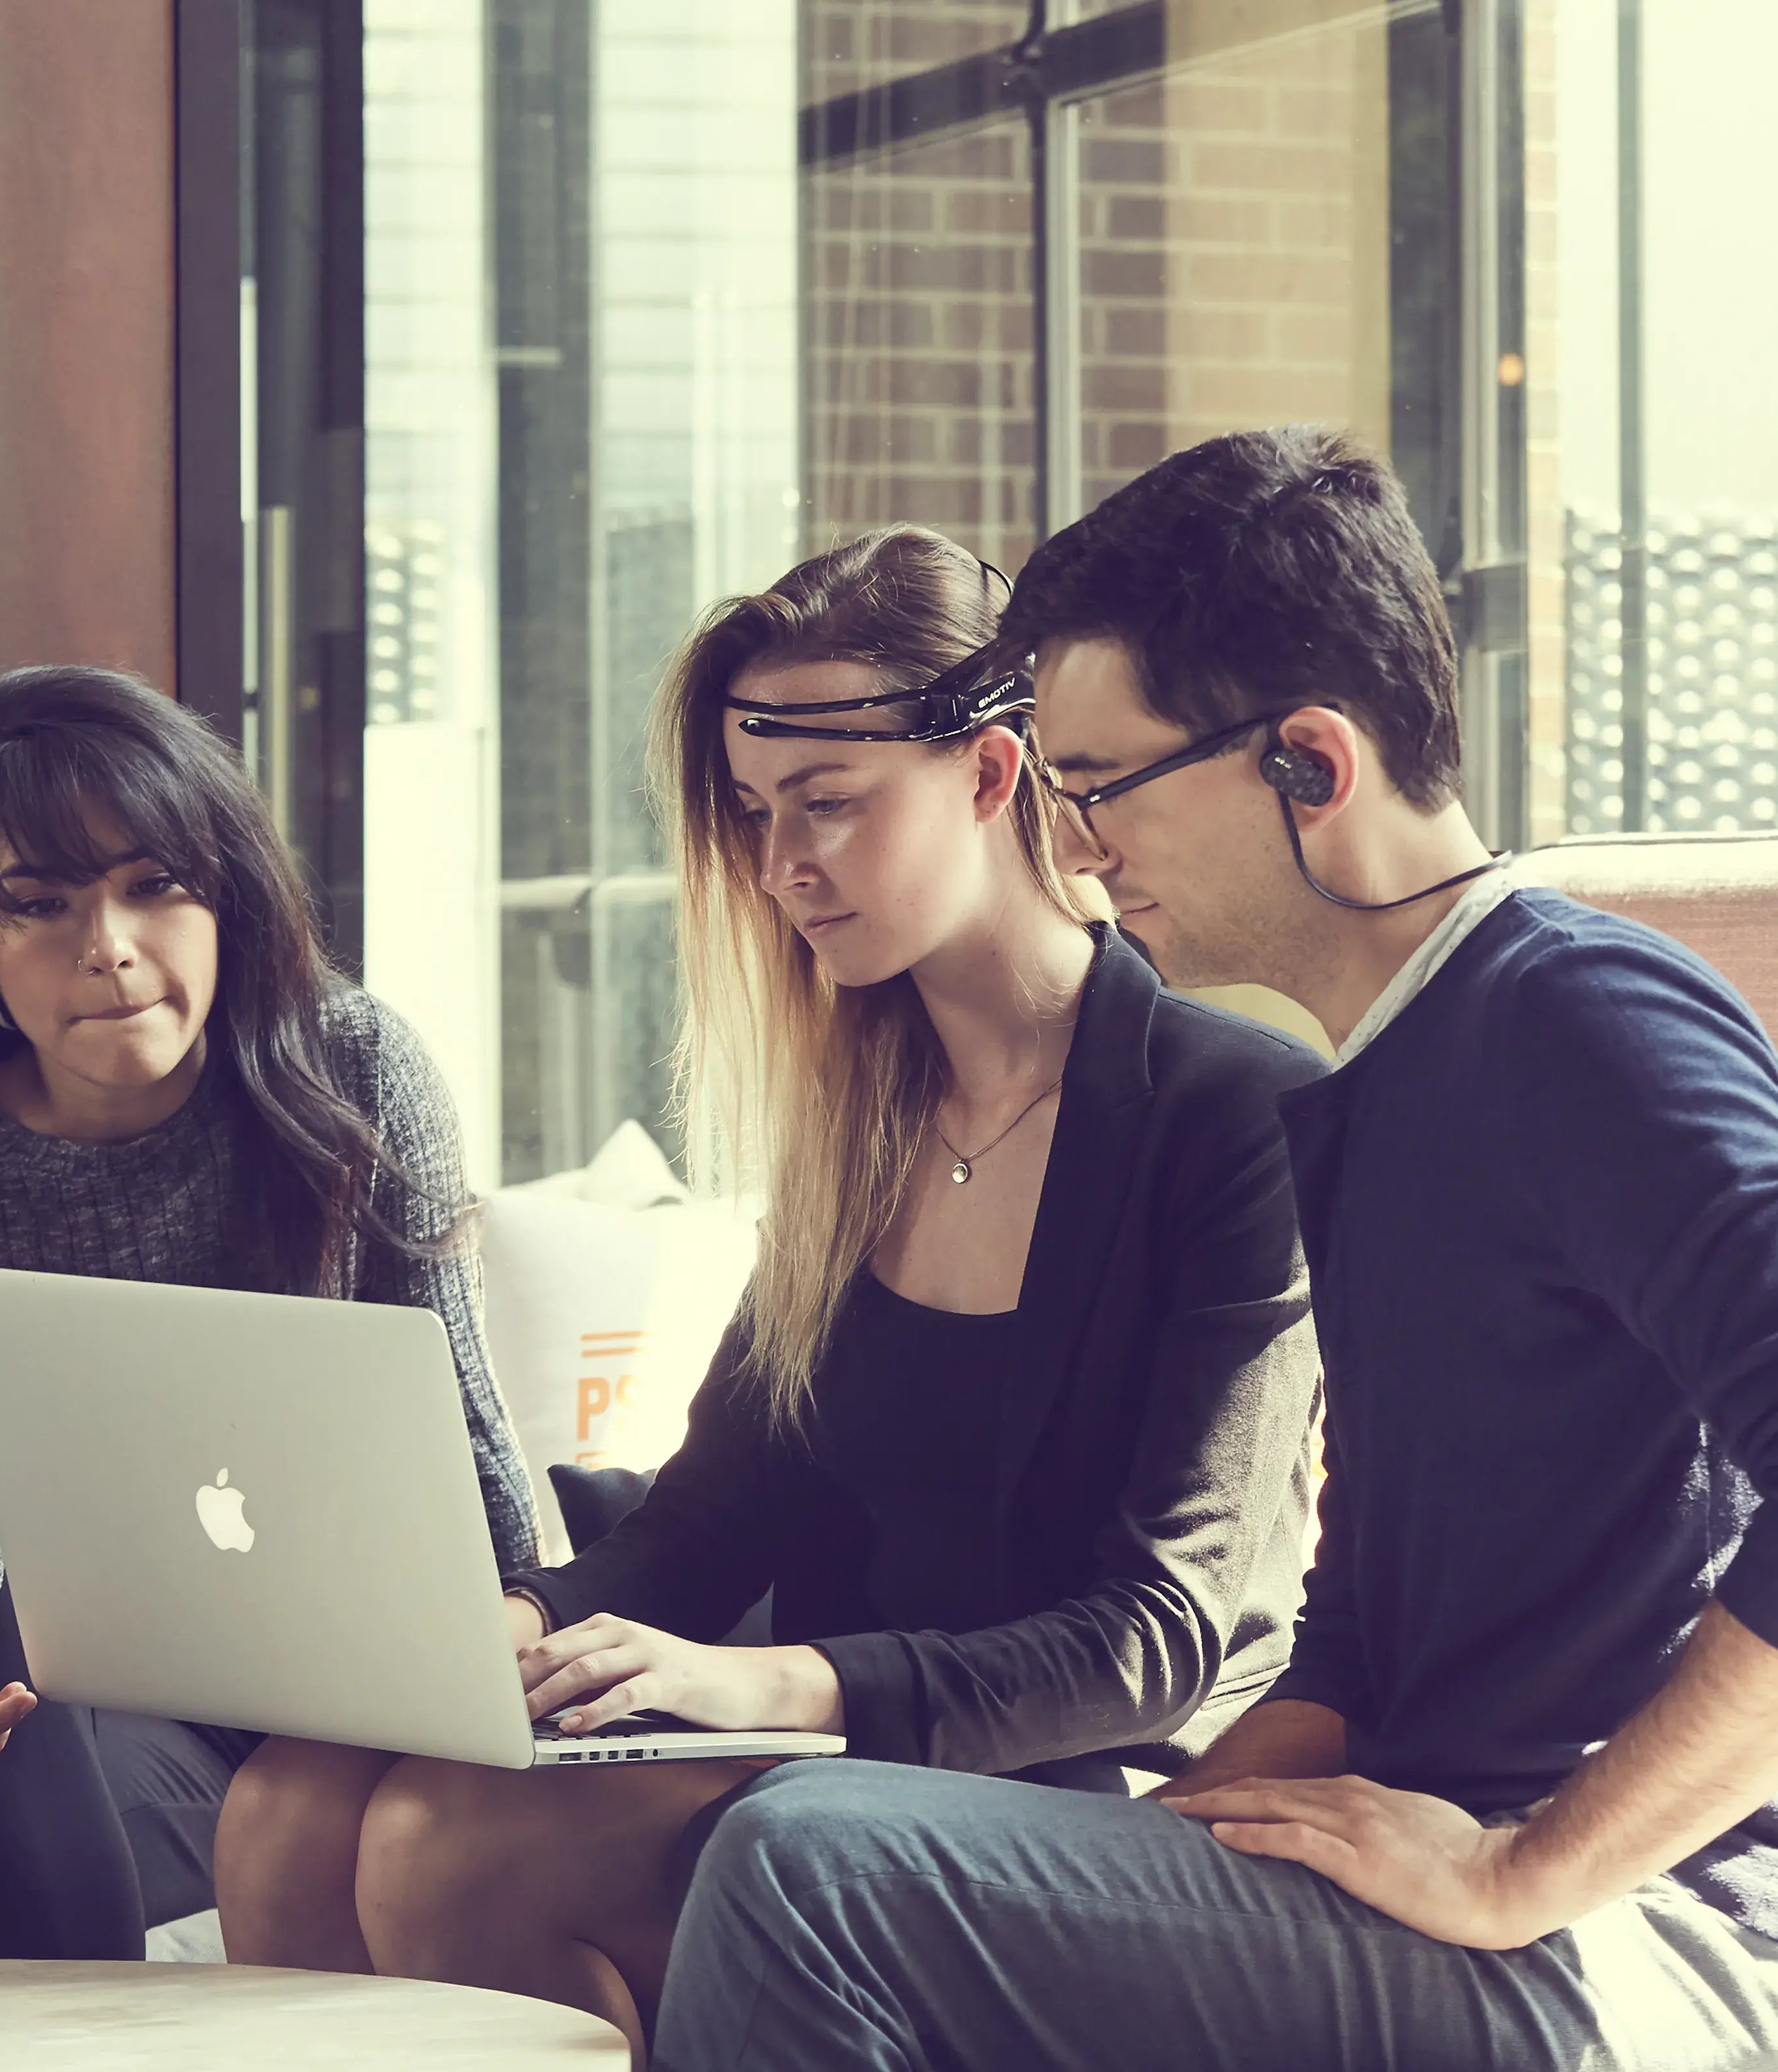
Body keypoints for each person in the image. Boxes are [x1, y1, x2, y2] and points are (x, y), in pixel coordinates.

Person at [650, 428, 1778, 2072]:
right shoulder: (1367, 1087)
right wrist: (1137, 1861)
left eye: (1103, 784)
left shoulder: (1576, 1017)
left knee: (803, 1868)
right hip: (1417, 1850)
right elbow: (1371, 1638)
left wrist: (1527, 1869)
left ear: (1309, 766)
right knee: (816, 1849)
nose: (1083, 844)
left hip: (1643, 1934)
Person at [215, 526, 1328, 2064]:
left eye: (829, 805)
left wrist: (768, 1682)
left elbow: (1160, 1635)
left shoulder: (1230, 1110)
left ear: (995, 778)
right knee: (286, 1804)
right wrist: (509, 1627)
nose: (781, 865)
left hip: (1076, 1773)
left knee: (444, 1846)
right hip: (811, 1734)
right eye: (753, 814)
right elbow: (709, 1521)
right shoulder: (861, 1122)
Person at [0, 665, 539, 1961]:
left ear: (229, 895)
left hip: (188, 1701)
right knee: (0, 1610)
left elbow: (464, 1430)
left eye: (155, 885)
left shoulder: (355, 1072)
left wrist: (512, 1624)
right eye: (40, 906)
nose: (107, 946)